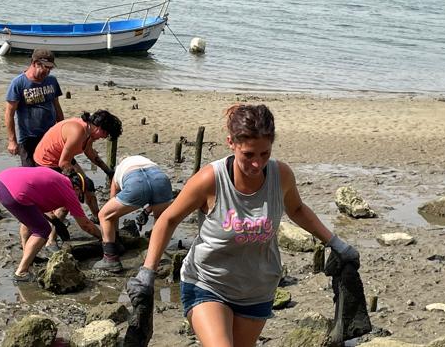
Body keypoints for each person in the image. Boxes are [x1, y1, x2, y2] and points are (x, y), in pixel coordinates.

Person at [126, 104, 360, 347]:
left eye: (264, 154)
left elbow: (298, 210)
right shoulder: (210, 180)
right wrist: (147, 272)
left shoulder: (281, 176)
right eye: (248, 155)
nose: (257, 164)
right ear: (231, 143)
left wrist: (337, 244)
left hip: (258, 290)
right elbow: (168, 219)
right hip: (207, 283)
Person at [0, 167, 102, 281]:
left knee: (30, 220)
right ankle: (21, 272)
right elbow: (85, 225)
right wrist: (103, 238)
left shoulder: (58, 179)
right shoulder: (69, 190)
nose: (79, 198)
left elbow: (40, 202)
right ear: (77, 188)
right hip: (15, 193)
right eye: (80, 195)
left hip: (1, 182)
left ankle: (29, 256)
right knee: (43, 230)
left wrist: (55, 220)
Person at [33, 109, 123, 220]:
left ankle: (99, 218)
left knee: (88, 185)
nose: (103, 137)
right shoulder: (78, 132)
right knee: (69, 198)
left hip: (63, 157)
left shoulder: (90, 130)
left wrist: (107, 171)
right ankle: (52, 235)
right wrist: (76, 181)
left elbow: (89, 152)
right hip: (47, 162)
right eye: (105, 134)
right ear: (99, 127)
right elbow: (63, 163)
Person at [94, 155, 173, 272]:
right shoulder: (146, 161)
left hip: (136, 182)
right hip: (161, 180)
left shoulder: (119, 171)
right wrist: (146, 212)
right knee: (160, 219)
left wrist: (115, 238)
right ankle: (156, 257)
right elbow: (151, 188)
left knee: (104, 215)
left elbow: (112, 214)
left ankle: (110, 259)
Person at [5, 48, 64, 167]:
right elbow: (9, 114)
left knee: (51, 170)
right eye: (45, 67)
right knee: (30, 173)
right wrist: (12, 141)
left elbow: (56, 106)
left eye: (50, 68)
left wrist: (62, 131)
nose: (47, 72)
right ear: (34, 63)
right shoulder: (18, 83)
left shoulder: (52, 81)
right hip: (28, 138)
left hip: (49, 135)